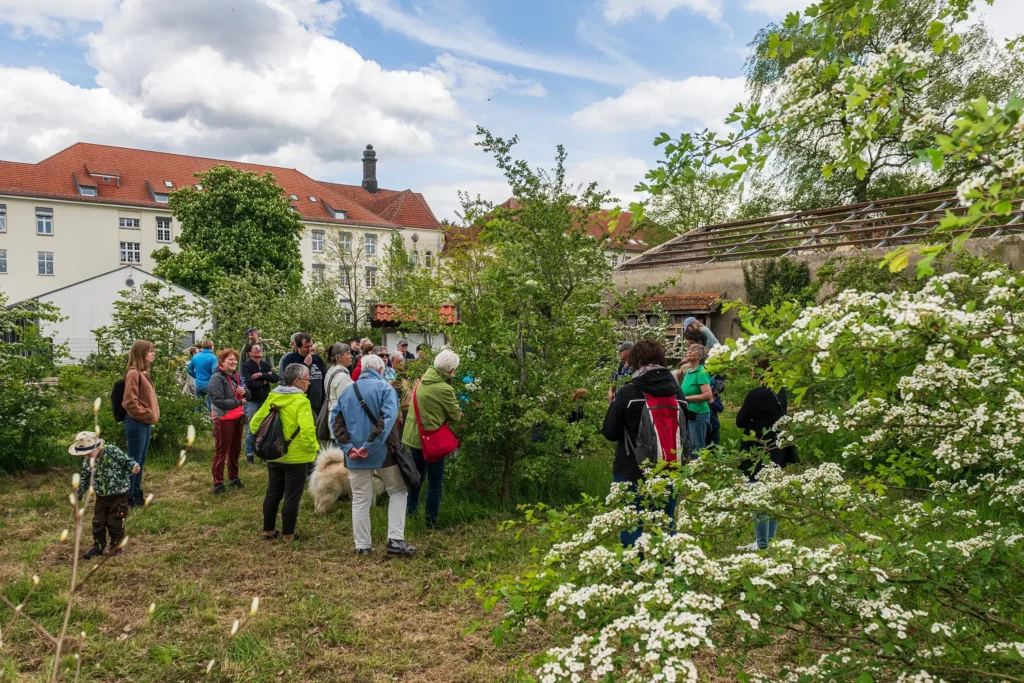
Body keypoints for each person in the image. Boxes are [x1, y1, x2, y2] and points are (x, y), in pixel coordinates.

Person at [602, 339, 687, 547]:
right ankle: (667, 569)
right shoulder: (678, 393)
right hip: (669, 465)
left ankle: (634, 569)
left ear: (635, 362)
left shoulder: (628, 392)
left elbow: (609, 432)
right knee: (666, 521)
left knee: (632, 521)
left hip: (631, 467)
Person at [332, 354, 416, 556]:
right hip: (383, 452)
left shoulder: (347, 391)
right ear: (381, 370)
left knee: (360, 499)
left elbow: (336, 421)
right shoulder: (386, 389)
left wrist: (348, 447)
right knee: (397, 490)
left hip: (354, 454)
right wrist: (370, 446)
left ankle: (362, 546)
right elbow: (387, 421)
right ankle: (395, 540)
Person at [251, 363, 319, 543]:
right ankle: (288, 535)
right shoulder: (301, 401)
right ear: (297, 381)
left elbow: (254, 424)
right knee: (292, 496)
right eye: (307, 380)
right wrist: (313, 449)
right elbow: (307, 430)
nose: (309, 383)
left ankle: (268, 531)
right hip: (297, 458)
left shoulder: (272, 397)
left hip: (274, 454)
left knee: (273, 492)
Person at [736, 362, 794, 550]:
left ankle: (761, 543)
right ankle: (769, 540)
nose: (751, 369)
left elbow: (739, 421)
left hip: (757, 447)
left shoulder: (756, 394)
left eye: (754, 366)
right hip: (777, 446)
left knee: (757, 493)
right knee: (772, 494)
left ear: (761, 369)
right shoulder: (780, 391)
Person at [403, 349, 462, 530]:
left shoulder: (421, 380)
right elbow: (456, 416)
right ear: (451, 370)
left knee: (417, 478)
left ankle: (410, 514)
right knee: (435, 482)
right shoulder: (444, 389)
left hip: (415, 437)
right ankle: (430, 522)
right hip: (431, 440)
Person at [70, 431, 140, 559]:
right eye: (83, 455)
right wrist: (77, 496)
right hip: (101, 497)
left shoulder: (112, 451)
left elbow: (126, 461)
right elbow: (84, 481)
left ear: (97, 448)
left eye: (88, 453)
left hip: (119, 495)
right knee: (98, 523)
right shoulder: (87, 463)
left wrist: (134, 466)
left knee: (115, 523)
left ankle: (116, 547)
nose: (86, 457)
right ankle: (98, 547)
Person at [122, 340, 159, 508]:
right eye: (150, 351)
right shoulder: (133, 373)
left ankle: (136, 493)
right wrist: (147, 414)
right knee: (134, 461)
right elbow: (129, 402)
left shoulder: (143, 373)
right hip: (137, 423)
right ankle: (128, 496)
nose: (153, 354)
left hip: (144, 423)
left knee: (140, 460)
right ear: (141, 353)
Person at [209, 348, 250, 494]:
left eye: (234, 359)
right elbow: (218, 401)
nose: (233, 362)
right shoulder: (217, 378)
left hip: (237, 418)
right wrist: (239, 402)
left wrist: (244, 392)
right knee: (221, 452)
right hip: (223, 419)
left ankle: (234, 478)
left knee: (235, 450)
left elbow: (247, 394)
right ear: (222, 362)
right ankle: (218, 483)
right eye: (230, 360)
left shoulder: (235, 376)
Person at [241, 344, 280, 464]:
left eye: (260, 349)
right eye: (256, 349)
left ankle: (263, 454)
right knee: (251, 428)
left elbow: (275, 377)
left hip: (265, 401)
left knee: (265, 427)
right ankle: (249, 455)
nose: (259, 351)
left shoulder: (265, 365)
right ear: (249, 353)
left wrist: (260, 375)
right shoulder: (246, 366)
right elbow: (248, 384)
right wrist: (264, 381)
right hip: (252, 400)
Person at [278, 333, 326, 417]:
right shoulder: (290, 359)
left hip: (318, 405)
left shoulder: (317, 359)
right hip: (299, 405)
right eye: (306, 347)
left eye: (311, 346)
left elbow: (324, 379)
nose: (310, 349)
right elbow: (289, 381)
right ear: (298, 347)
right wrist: (305, 365)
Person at [679, 343, 713, 454]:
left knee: (697, 446)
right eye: (689, 349)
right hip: (688, 413)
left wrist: (687, 398)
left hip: (699, 414)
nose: (689, 352)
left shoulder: (701, 372)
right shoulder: (688, 372)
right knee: (688, 445)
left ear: (700, 356)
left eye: (693, 350)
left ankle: (698, 468)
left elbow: (708, 396)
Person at [324, 343, 354, 425]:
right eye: (348, 354)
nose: (351, 356)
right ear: (339, 357)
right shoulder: (342, 376)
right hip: (340, 421)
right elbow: (346, 403)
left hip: (333, 417)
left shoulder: (331, 370)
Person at [187, 339, 218, 412]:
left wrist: (196, 376)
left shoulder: (196, 357)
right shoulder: (212, 357)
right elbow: (214, 372)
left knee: (198, 406)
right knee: (210, 407)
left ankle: (195, 422)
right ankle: (210, 422)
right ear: (211, 347)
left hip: (198, 385)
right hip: (209, 385)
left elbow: (188, 369)